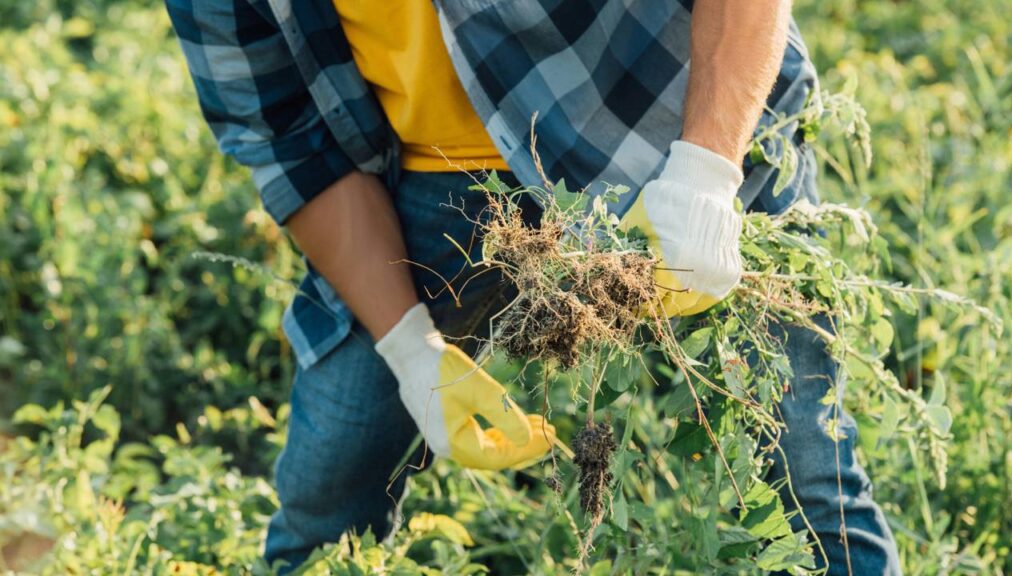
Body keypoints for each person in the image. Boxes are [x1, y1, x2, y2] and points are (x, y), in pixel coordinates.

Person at [166, 0, 901, 573]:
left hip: (669, 112)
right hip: (429, 177)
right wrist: (411, 352)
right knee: (332, 481)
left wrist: (707, 174)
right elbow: (289, 141)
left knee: (807, 471)